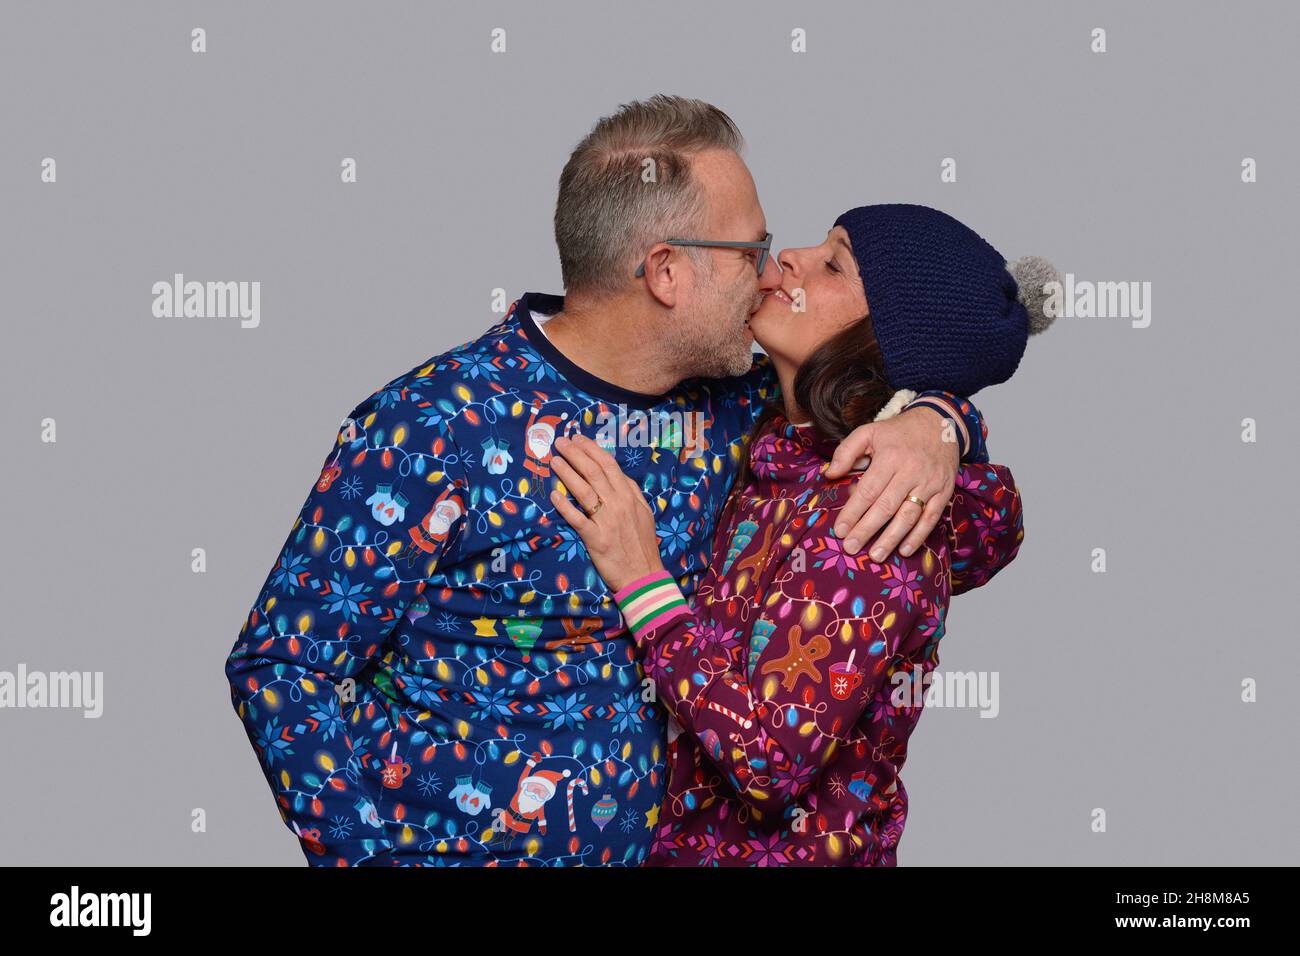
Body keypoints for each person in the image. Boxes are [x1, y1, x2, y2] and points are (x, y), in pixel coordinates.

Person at [224, 96, 990, 866]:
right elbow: (283, 665)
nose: (771, 271)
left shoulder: (741, 409)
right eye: (749, 250)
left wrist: (938, 424)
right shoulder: (434, 426)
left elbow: (881, 378)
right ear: (666, 272)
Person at [550, 203, 1057, 864]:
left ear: (882, 343)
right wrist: (944, 419)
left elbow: (767, 764)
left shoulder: (873, 519)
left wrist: (643, 584)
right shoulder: (773, 434)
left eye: (833, 263)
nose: (790, 257)